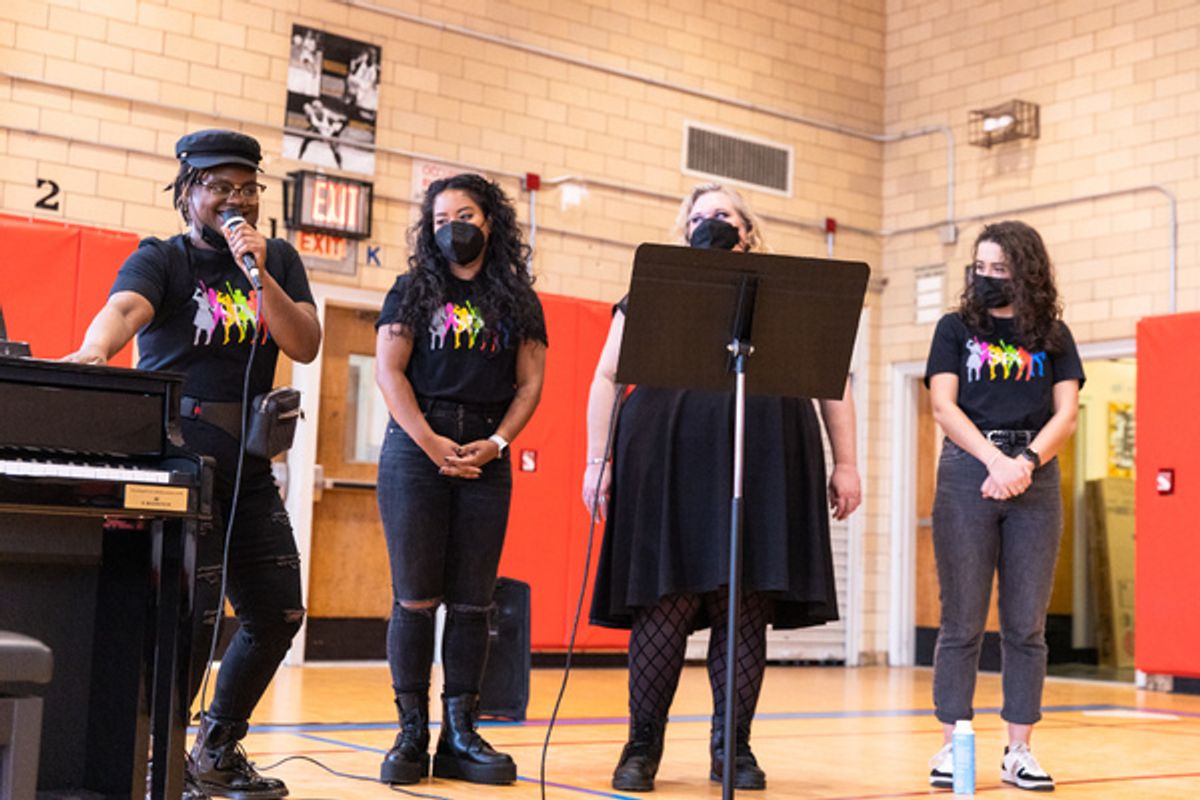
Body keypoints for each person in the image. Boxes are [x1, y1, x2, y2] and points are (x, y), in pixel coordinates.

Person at [65, 129, 322, 800]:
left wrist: (258, 273)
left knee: (278, 611)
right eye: (218, 186)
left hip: (252, 464)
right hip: (183, 455)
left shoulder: (278, 261)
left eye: (247, 188)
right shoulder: (165, 259)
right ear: (187, 194)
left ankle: (216, 746)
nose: (235, 200)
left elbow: (305, 341)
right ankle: (158, 761)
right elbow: (127, 308)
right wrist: (97, 350)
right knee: (190, 619)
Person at [583, 183, 862, 792]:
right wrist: (594, 461)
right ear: (684, 231)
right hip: (667, 458)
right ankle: (642, 746)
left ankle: (731, 747)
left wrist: (848, 463)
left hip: (764, 458)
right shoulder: (653, 292)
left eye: (723, 215)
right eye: (699, 215)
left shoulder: (785, 298)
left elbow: (833, 382)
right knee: (666, 599)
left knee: (745, 605)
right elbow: (607, 375)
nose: (710, 222)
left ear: (749, 231)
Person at [374, 174, 547, 786]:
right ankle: (410, 731)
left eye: (466, 215)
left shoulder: (518, 299)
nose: (454, 227)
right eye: (442, 218)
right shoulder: (410, 289)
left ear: (490, 222)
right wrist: (430, 442)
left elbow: (529, 383)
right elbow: (390, 372)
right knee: (415, 598)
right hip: (416, 448)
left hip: (485, 453)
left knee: (474, 601)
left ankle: (461, 733)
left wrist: (497, 442)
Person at [923, 221, 1083, 792]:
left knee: (1026, 626)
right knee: (961, 620)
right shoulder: (954, 329)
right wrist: (995, 461)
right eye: (981, 268)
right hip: (970, 471)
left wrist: (1026, 463)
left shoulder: (1053, 335)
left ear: (1026, 273)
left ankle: (1019, 750)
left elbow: (1066, 414)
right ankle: (951, 745)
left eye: (1000, 269)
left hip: (1034, 478)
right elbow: (944, 406)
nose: (987, 278)